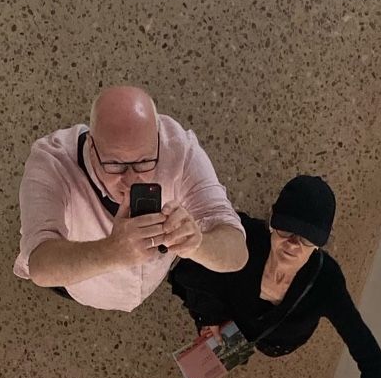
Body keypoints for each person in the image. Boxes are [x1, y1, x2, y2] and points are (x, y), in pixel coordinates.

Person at [169, 175, 381, 378]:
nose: (293, 246)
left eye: (307, 240)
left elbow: (372, 362)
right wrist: (210, 319)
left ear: (319, 243)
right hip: (235, 320)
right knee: (217, 315)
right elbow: (192, 276)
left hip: (281, 339)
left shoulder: (326, 280)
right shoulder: (244, 238)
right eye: (285, 231)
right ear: (272, 222)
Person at [14, 85, 246, 311]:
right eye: (115, 164)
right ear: (91, 147)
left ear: (157, 140)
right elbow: (40, 264)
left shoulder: (179, 147)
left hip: (152, 278)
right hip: (86, 284)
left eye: (144, 161)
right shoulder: (51, 162)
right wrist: (111, 251)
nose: (132, 180)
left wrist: (198, 243)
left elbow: (237, 252)